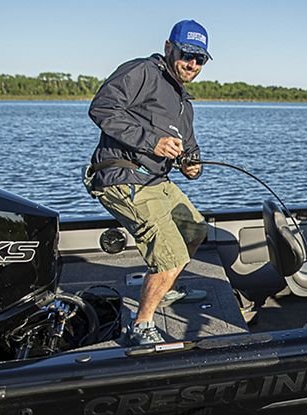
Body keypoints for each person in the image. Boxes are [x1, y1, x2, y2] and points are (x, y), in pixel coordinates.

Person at [87, 19, 213, 345]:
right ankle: (140, 325)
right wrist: (151, 141)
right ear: (169, 47)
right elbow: (101, 107)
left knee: (195, 230)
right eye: (187, 54)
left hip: (155, 180)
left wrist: (192, 165)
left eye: (200, 59)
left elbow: (189, 147)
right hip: (122, 175)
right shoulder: (143, 72)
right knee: (171, 255)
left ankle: (166, 289)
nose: (192, 64)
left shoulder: (183, 102)